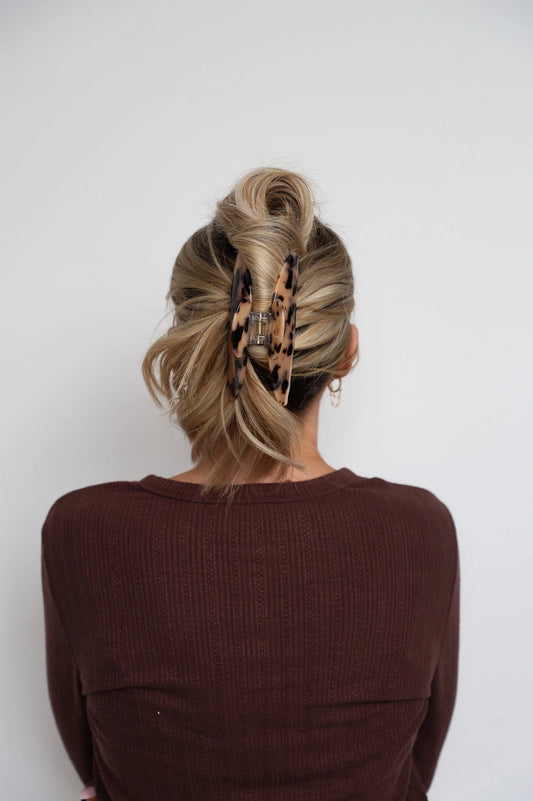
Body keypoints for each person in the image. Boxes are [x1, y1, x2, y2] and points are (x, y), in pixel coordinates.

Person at [41, 167, 460, 801]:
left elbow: (96, 768)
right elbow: (413, 772)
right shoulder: (419, 530)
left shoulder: (84, 530)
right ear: (347, 352)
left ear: (188, 344)